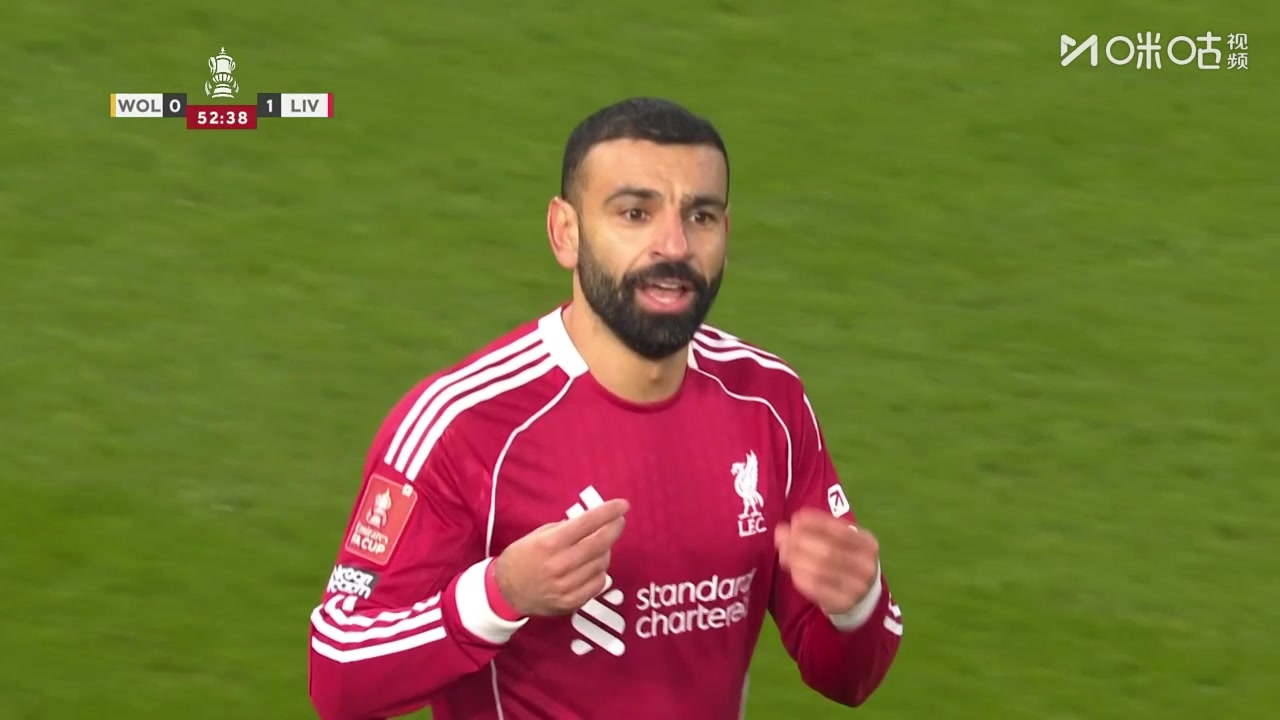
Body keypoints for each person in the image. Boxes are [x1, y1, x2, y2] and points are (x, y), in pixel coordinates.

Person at [308, 97, 904, 720]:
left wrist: (855, 605)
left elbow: (847, 678)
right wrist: (499, 596)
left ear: (726, 234)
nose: (673, 245)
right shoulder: (463, 424)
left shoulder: (768, 401)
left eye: (700, 216)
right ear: (565, 233)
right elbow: (338, 673)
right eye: (635, 213)